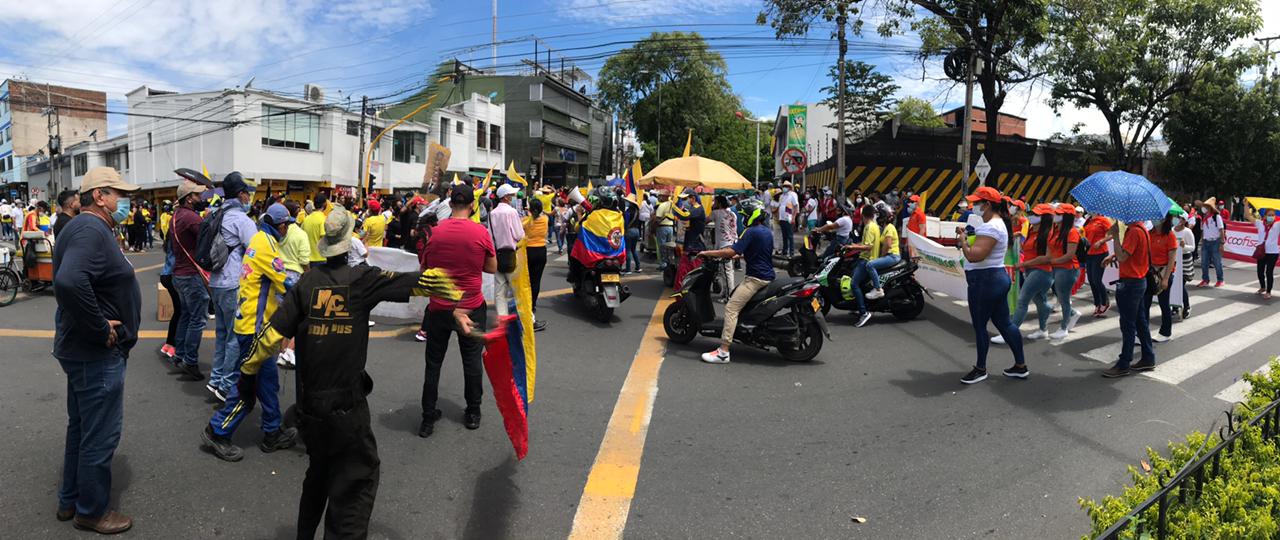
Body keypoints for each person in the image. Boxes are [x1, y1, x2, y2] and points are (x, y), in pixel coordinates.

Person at [214, 207, 465, 538]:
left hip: (310, 411)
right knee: (356, 481)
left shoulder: (306, 283)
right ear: (349, 243)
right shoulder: (363, 280)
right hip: (347, 411)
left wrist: (246, 374)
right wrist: (458, 303)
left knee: (318, 473)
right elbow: (424, 281)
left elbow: (269, 338)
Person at [51, 166, 141, 534]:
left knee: (82, 427)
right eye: (118, 193)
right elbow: (71, 281)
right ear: (100, 196)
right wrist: (100, 326)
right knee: (99, 435)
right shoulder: (90, 228)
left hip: (82, 349)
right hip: (95, 352)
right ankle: (91, 510)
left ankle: (70, 498)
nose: (125, 201)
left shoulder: (89, 227)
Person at [201, 203, 300, 461]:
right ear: (279, 225)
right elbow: (286, 282)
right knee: (246, 389)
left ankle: (271, 432)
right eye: (286, 224)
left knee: (268, 383)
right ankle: (217, 431)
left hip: (254, 327)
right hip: (255, 331)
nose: (287, 228)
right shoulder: (266, 245)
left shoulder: (258, 238)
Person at [420, 188, 496, 438]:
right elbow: (492, 268)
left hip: (440, 308)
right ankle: (473, 412)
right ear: (472, 205)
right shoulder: (480, 232)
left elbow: (425, 268)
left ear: (450, 204)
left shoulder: (435, 233)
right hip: (471, 306)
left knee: (433, 364)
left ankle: (427, 418)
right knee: (472, 361)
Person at [957, 187, 1026, 384]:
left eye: (977, 203)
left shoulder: (991, 227)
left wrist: (963, 241)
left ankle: (980, 369)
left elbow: (974, 255)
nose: (973, 206)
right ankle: (1020, 366)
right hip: (994, 278)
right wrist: (968, 237)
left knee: (980, 326)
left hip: (984, 281)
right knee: (1004, 323)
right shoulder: (996, 224)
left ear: (987, 205)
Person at [696, 197, 774, 364]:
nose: (744, 218)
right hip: (767, 276)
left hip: (755, 279)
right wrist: (737, 255)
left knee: (731, 308)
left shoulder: (751, 232)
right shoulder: (766, 231)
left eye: (745, 215)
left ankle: (723, 351)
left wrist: (708, 253)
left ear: (752, 215)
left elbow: (730, 252)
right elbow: (754, 252)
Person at [993, 204, 1056, 345]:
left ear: (1045, 218)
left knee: (1022, 301)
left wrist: (1022, 264)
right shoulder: (1033, 231)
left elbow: (1047, 257)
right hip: (1032, 270)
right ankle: (1043, 330)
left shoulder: (1048, 234)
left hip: (1041, 271)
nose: (1032, 215)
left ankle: (1009, 334)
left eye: (1036, 214)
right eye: (1031, 212)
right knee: (1040, 301)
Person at [1101, 219, 1155, 378]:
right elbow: (1130, 253)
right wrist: (1113, 256)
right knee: (1140, 322)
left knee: (1128, 325)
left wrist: (1116, 236)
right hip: (1138, 281)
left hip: (1131, 283)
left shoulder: (1134, 231)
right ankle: (1148, 357)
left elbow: (1123, 256)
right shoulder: (1141, 229)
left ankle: (1124, 363)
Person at [168, 181, 210, 381]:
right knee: (197, 319)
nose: (200, 198)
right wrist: (209, 220)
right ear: (188, 198)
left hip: (179, 273)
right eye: (197, 195)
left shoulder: (176, 216)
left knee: (186, 315)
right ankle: (190, 361)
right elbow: (207, 237)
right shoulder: (191, 217)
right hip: (191, 274)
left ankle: (180, 354)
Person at [277, 200, 312, 368]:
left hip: (277, 275)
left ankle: (279, 351)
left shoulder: (277, 232)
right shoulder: (300, 234)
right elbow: (304, 260)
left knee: (278, 315)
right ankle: (287, 351)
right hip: (295, 277)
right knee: (298, 317)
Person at [845, 205, 884, 328]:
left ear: (863, 215)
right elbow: (867, 243)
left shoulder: (869, 227)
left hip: (866, 260)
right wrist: (855, 244)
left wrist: (852, 247)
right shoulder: (875, 227)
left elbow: (868, 247)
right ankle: (859, 306)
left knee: (853, 284)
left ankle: (863, 312)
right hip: (868, 258)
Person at [489, 184, 525, 317]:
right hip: (511, 254)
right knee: (517, 289)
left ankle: (502, 318)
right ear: (506, 197)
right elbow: (519, 234)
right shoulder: (511, 212)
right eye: (511, 195)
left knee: (500, 291)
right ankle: (525, 318)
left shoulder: (492, 213)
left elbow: (490, 236)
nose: (513, 197)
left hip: (497, 254)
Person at [1147, 214, 1179, 342]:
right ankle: (1142, 332)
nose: (1153, 219)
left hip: (1164, 272)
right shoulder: (1150, 233)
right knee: (1145, 303)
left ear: (1164, 219)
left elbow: (1172, 258)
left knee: (1163, 304)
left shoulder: (1169, 235)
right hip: (1150, 272)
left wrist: (1166, 278)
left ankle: (1166, 332)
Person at [523, 198, 549, 332]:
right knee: (536, 280)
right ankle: (533, 304)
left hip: (528, 251)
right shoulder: (545, 219)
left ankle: (527, 304)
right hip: (541, 250)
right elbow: (543, 213)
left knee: (527, 280)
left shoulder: (526, 221)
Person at [1083, 212, 1112, 317]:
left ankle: (1105, 302)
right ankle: (1097, 304)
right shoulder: (1088, 220)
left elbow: (1112, 234)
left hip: (1100, 253)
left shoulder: (1103, 220)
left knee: (1096, 280)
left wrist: (1101, 241)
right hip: (1089, 253)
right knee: (1091, 280)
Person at [1250, 205, 1278, 299]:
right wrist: (1246, 205)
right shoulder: (1260, 223)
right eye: (1269, 215)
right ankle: (1262, 287)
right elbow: (1247, 216)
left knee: (1269, 272)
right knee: (1260, 271)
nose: (1271, 217)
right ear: (1265, 216)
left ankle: (1268, 291)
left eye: (1273, 215)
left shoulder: (1277, 225)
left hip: (1273, 252)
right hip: (1262, 251)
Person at [711, 195, 737, 298]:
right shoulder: (732, 213)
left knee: (727, 272)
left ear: (719, 203)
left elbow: (705, 220)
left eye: (715, 202)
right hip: (733, 243)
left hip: (724, 245)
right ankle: (725, 293)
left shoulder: (716, 213)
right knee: (727, 271)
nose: (714, 204)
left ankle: (730, 296)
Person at [1197, 197, 1225, 287]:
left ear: (1210, 208)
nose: (1204, 208)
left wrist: (1222, 243)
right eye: (1204, 206)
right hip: (1205, 242)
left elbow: (1221, 230)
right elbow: (1203, 231)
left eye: (1206, 206)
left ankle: (1220, 280)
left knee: (1217, 262)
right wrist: (1202, 242)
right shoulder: (1204, 218)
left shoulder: (1217, 217)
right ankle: (1205, 280)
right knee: (1204, 262)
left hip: (1215, 242)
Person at [1174, 214, 1195, 318]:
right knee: (1173, 284)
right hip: (1174, 260)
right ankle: (1174, 307)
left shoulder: (1187, 232)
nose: (1177, 220)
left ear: (1184, 220)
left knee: (1180, 285)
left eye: (1180, 218)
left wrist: (1184, 246)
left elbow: (1193, 247)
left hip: (1185, 260)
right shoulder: (1171, 230)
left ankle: (1186, 306)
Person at [303, 193, 330, 265]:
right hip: (320, 258)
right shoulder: (323, 219)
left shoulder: (306, 219)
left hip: (307, 258)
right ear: (325, 204)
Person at [653, 191, 676, 271]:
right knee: (669, 247)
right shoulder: (672, 204)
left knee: (662, 247)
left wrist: (653, 227)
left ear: (664, 196)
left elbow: (657, 219)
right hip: (670, 227)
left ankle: (664, 264)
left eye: (660, 196)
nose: (659, 198)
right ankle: (669, 263)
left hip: (662, 227)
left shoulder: (662, 205)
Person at [777, 180, 799, 257]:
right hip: (782, 218)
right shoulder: (782, 196)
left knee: (790, 236)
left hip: (789, 218)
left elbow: (796, 206)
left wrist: (793, 217)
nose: (784, 188)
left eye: (786, 186)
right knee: (784, 236)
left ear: (789, 187)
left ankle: (791, 253)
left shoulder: (792, 195)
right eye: (783, 186)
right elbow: (780, 206)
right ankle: (784, 251)